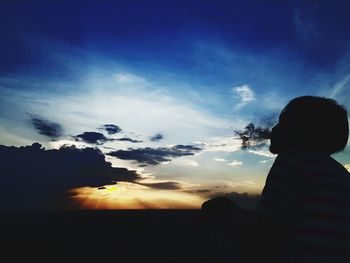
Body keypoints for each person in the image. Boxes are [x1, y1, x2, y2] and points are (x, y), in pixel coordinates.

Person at [201, 96, 350, 262]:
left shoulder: (293, 161)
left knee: (217, 208)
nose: (274, 129)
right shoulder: (340, 173)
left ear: (305, 131)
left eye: (284, 123)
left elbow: (264, 232)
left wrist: (226, 210)